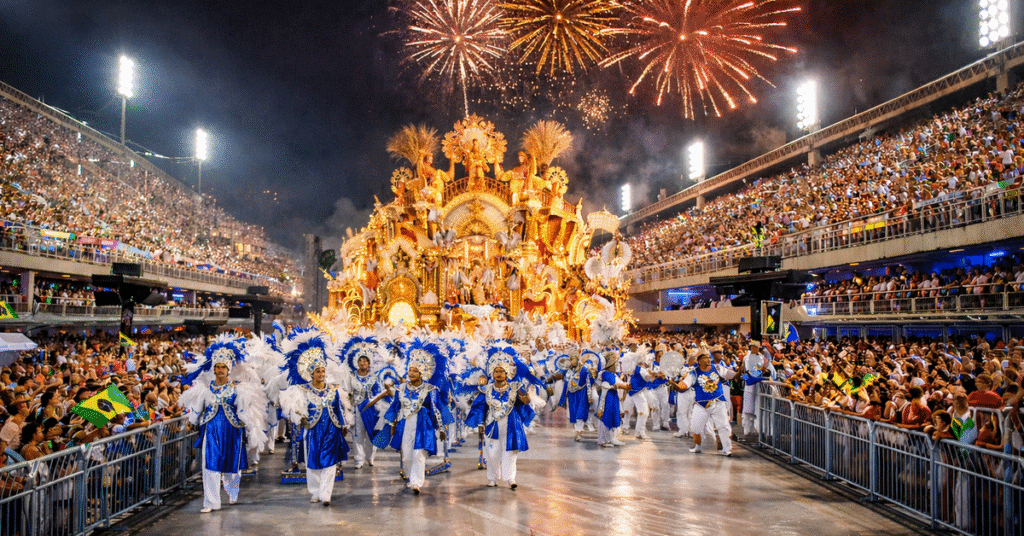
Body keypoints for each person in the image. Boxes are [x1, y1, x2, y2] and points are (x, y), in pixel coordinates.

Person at [178, 336, 268, 513]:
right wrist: (191, 421)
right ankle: (211, 502)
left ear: (228, 369)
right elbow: (196, 410)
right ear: (213, 368)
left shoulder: (237, 389)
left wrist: (252, 429)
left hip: (232, 431)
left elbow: (243, 411)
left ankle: (232, 491)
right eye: (217, 367)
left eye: (223, 367)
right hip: (211, 432)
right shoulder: (204, 389)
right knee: (210, 466)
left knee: (231, 468)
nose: (220, 370)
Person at [280, 340, 350, 507]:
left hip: (332, 429)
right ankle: (315, 491)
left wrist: (343, 425)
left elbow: (338, 409)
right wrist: (300, 417)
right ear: (311, 373)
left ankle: (326, 494)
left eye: (322, 370)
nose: (321, 373)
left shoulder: (333, 390)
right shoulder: (302, 390)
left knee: (330, 462)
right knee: (313, 462)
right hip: (312, 429)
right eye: (317, 371)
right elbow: (296, 409)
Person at [378, 341, 453, 494]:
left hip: (423, 426)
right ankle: (411, 478)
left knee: (419, 455)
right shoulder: (402, 388)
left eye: (414, 371)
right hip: (405, 425)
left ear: (422, 373)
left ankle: (416, 482)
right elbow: (395, 407)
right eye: (410, 370)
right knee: (406, 456)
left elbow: (437, 408)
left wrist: (441, 428)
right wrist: (390, 424)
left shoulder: (431, 389)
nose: (411, 373)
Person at [466, 348, 537, 489]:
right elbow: (480, 407)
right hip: (492, 424)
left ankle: (510, 478)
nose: (499, 374)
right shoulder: (486, 389)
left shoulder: (515, 387)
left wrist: (522, 391)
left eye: (501, 371)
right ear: (492, 373)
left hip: (511, 424)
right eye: (496, 371)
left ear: (507, 373)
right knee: (492, 454)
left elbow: (526, 401)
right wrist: (480, 423)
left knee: (510, 452)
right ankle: (493, 478)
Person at [673, 351, 743, 456]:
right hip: (701, 404)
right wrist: (676, 385)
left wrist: (741, 369)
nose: (708, 361)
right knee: (695, 426)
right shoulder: (694, 373)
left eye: (708, 359)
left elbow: (732, 375)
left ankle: (727, 449)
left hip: (718, 402)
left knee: (724, 426)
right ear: (699, 362)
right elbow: (684, 385)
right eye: (704, 359)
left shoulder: (718, 368)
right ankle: (697, 446)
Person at [552, 351, 591, 441]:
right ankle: (578, 429)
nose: (571, 361)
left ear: (577, 359)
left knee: (580, 414)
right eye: (570, 359)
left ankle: (579, 433)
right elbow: (564, 380)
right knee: (573, 413)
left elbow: (587, 381)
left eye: (573, 359)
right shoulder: (568, 370)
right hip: (572, 395)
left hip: (581, 393)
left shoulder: (584, 369)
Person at [595, 352, 630, 447]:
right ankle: (603, 440)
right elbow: (617, 384)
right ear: (610, 364)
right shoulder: (606, 374)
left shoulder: (611, 374)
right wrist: (627, 386)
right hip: (607, 399)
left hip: (612, 397)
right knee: (606, 416)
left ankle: (611, 438)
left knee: (613, 416)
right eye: (615, 364)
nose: (617, 366)